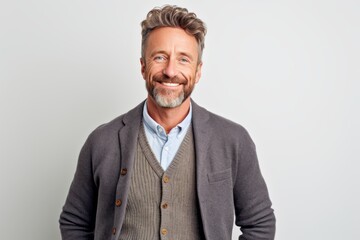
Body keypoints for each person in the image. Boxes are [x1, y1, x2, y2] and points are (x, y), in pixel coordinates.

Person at [59, 5, 276, 240]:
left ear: (198, 70)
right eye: (160, 57)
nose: (171, 71)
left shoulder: (233, 140)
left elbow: (260, 223)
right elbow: (74, 222)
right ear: (143, 66)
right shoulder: (102, 141)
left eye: (183, 59)